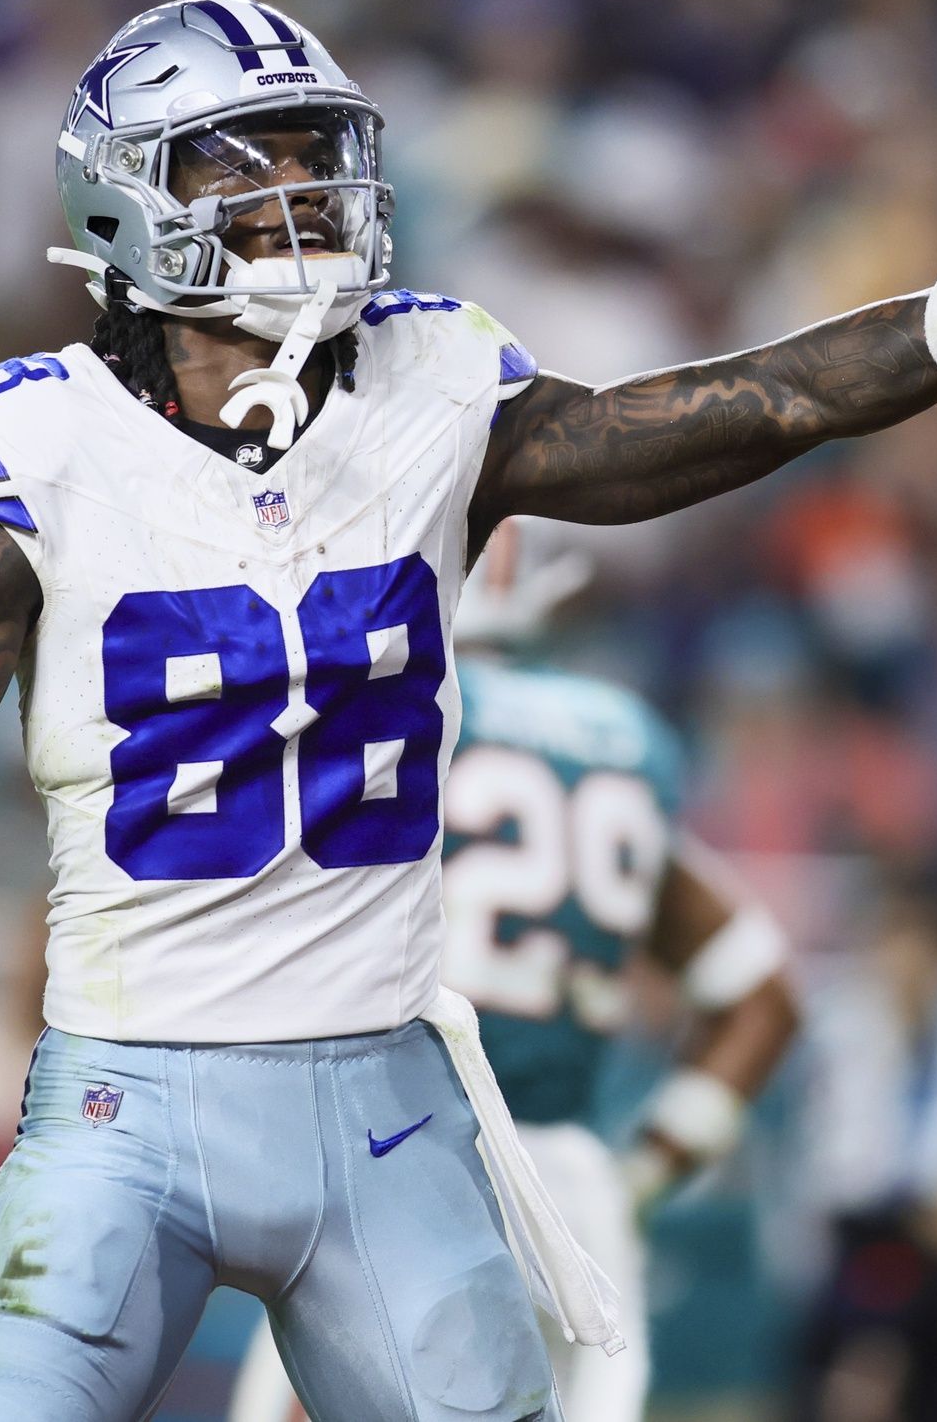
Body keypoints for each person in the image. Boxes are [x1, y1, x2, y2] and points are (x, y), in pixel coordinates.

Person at [0, 0, 937, 1418]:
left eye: (309, 149)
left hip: (383, 1106)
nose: (295, 193)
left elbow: (736, 408)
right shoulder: (38, 443)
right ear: (124, 202)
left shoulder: (430, 382)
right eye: (238, 164)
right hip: (122, 1110)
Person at [222, 518, 801, 1422]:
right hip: (567, 1192)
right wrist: (647, 1169)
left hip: (403, 1164)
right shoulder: (617, 736)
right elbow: (762, 998)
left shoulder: (396, 717)